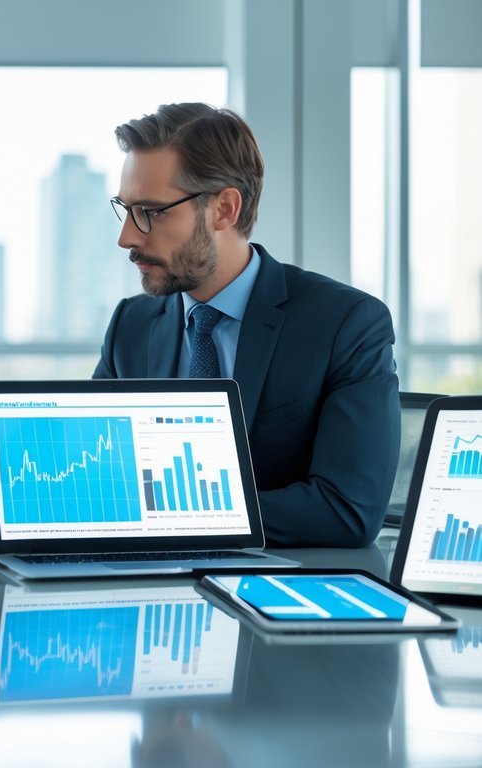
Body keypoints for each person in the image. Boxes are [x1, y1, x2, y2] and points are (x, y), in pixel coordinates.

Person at [93, 103, 399, 548]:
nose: (127, 237)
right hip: (140, 582)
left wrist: (169, 515)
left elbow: (347, 510)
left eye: (151, 212)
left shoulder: (346, 325)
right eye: (126, 209)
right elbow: (89, 480)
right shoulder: (130, 326)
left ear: (224, 208)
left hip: (278, 585)